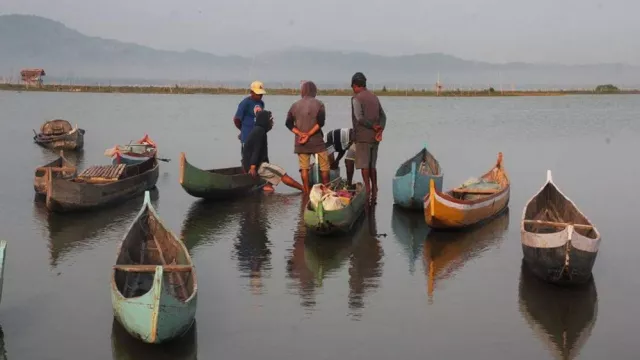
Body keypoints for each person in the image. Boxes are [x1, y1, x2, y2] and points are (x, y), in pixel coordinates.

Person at [243, 109, 304, 193]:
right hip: (255, 165)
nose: (272, 123)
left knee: (269, 186)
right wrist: (253, 167)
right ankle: (304, 189)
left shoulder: (259, 130)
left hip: (255, 164)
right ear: (265, 121)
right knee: (282, 174)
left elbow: (261, 152)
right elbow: (256, 150)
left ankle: (267, 193)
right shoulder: (260, 131)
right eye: (271, 120)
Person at [285, 81, 329, 194]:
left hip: (301, 142)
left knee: (304, 168)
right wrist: (308, 134)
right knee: (324, 167)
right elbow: (320, 123)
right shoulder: (319, 104)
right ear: (314, 91)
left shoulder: (294, 105)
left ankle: (306, 191)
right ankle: (326, 190)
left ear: (302, 91)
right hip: (317, 141)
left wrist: (300, 134)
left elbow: (288, 124)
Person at [350, 72, 386, 204]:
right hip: (375, 138)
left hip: (362, 137)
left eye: (353, 87)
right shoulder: (374, 97)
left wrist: (373, 127)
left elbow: (359, 118)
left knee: (364, 165)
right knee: (372, 165)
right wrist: (380, 129)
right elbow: (383, 117)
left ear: (355, 85)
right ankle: (375, 188)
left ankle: (368, 189)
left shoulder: (356, 98)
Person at [233, 81, 266, 161]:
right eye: (258, 94)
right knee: (247, 159)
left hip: (258, 137)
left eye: (261, 94)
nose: (260, 96)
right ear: (252, 92)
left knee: (258, 159)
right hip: (247, 137)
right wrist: (243, 130)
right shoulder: (245, 103)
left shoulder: (261, 103)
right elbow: (236, 119)